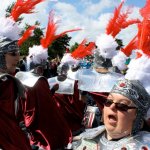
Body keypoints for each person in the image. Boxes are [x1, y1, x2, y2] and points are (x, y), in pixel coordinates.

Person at [71, 79, 150, 149]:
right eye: (108, 102)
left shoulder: (144, 145)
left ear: (137, 114)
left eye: (122, 105)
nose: (112, 107)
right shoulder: (87, 137)